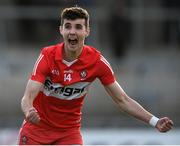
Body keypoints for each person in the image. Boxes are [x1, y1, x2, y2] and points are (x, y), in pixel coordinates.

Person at [18, 6, 174, 145]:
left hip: (68, 134)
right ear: (61, 30)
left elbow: (123, 100)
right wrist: (29, 111)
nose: (72, 32)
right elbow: (27, 97)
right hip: (36, 131)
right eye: (68, 27)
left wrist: (155, 121)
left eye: (78, 27)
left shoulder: (97, 61)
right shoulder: (47, 56)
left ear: (87, 31)